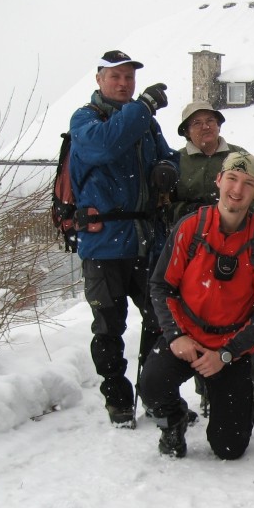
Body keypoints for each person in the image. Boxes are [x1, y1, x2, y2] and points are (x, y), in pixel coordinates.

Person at [140, 152, 254, 459]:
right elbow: (161, 285)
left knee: (229, 448)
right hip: (186, 336)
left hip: (230, 349)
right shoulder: (190, 228)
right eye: (231, 178)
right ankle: (173, 420)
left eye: (248, 183)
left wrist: (226, 353)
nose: (237, 188)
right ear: (219, 180)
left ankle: (230, 410)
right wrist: (176, 335)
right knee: (151, 386)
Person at [68, 50, 178, 428]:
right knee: (108, 326)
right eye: (116, 76)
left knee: (161, 321)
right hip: (103, 243)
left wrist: (167, 167)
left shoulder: (145, 123)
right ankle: (118, 399)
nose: (124, 84)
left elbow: (170, 158)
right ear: (99, 79)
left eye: (129, 78)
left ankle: (154, 395)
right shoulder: (85, 119)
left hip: (147, 240)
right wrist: (143, 106)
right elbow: (106, 145)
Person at [172, 101, 254, 421]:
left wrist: (243, 225)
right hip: (195, 251)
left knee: (237, 323)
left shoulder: (238, 156)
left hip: (239, 252)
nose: (206, 127)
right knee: (198, 321)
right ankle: (209, 392)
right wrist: (196, 220)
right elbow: (167, 206)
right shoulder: (176, 161)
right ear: (186, 131)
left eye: (211, 120)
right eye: (197, 123)